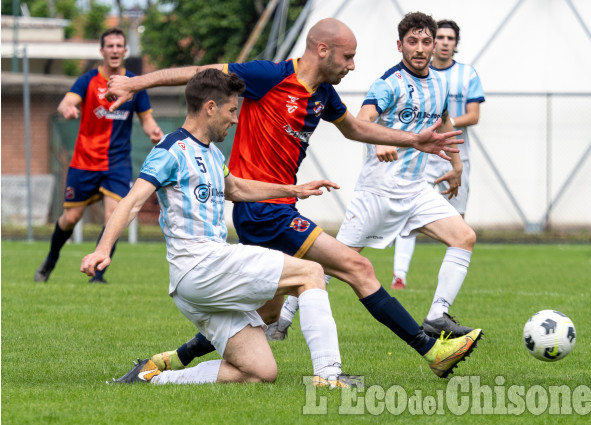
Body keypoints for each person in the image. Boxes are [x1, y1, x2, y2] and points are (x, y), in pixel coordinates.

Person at [105, 18, 481, 379]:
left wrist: (414, 140)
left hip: (277, 206)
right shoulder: (268, 76)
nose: (353, 65)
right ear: (322, 50)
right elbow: (201, 72)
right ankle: (430, 350)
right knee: (357, 268)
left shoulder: (323, 95)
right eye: (347, 57)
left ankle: (167, 361)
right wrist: (136, 83)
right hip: (262, 209)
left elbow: (354, 128)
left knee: (268, 311)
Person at [82, 68, 359, 387]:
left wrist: (294, 190)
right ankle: (329, 375)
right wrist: (102, 249)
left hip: (198, 280)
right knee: (311, 273)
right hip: (202, 265)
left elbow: (236, 189)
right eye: (231, 110)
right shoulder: (171, 150)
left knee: (258, 372)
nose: (235, 119)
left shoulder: (212, 153)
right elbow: (130, 201)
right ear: (210, 107)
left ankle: (150, 378)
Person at [275, 12, 479, 340]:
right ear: (400, 45)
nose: (420, 48)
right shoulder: (390, 83)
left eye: (426, 41)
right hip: (378, 192)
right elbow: (362, 119)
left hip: (416, 190)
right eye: (412, 41)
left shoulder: (439, 85)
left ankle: (438, 315)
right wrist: (379, 140)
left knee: (464, 237)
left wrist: (456, 166)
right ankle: (281, 318)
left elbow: (444, 124)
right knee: (333, 263)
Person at [34, 27, 164, 284]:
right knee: (71, 218)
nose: (115, 50)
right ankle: (50, 260)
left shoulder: (135, 84)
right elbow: (66, 102)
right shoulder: (88, 81)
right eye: (110, 46)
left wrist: (154, 132)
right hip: (85, 161)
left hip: (117, 163)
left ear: (125, 51)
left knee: (114, 214)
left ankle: (98, 274)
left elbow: (147, 120)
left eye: (119, 46)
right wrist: (68, 109)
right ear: (102, 51)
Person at [390, 19, 485, 290]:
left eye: (449, 38)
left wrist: (443, 124)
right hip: (421, 155)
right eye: (440, 37)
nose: (444, 42)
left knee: (459, 220)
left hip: (455, 153)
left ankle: (450, 280)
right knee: (406, 212)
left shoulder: (467, 75)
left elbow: (474, 115)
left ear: (455, 44)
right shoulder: (417, 75)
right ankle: (400, 274)